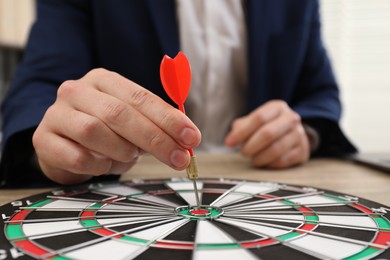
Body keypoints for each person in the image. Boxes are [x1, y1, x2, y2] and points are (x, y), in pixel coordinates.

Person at [0, 0, 356, 187]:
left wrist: (305, 132)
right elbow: (37, 87)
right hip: (132, 188)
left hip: (264, 180)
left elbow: (321, 91)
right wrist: (56, 148)